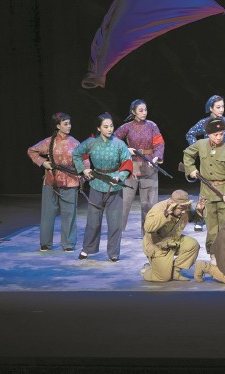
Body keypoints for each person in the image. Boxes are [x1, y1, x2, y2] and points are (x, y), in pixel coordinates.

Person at [72, 113, 132, 262]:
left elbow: (127, 162)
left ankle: (113, 253)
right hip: (96, 183)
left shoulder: (119, 144)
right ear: (99, 128)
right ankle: (87, 249)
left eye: (111, 126)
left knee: (115, 222)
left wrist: (120, 176)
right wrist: (83, 169)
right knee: (93, 221)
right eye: (105, 126)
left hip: (114, 185)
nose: (109, 129)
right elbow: (76, 154)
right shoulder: (91, 142)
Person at [27, 112, 86, 252]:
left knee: (69, 214)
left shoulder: (74, 143)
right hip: (51, 181)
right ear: (58, 126)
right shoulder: (49, 142)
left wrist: (84, 172)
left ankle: (68, 244)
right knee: (48, 213)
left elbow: (84, 158)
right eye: (66, 124)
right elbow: (32, 151)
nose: (69, 126)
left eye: (69, 123)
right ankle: (45, 243)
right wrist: (43, 162)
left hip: (70, 181)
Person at [183, 117, 225, 258]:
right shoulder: (201, 144)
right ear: (208, 134)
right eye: (215, 135)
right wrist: (191, 169)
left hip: (224, 192)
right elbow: (187, 154)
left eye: (221, 134)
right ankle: (213, 254)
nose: (219, 137)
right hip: (207, 192)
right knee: (211, 226)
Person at [185, 95, 225, 233]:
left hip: (223, 160)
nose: (221, 109)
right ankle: (200, 219)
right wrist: (199, 149)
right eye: (218, 107)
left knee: (224, 192)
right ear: (211, 108)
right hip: (208, 159)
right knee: (205, 190)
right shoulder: (204, 123)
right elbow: (190, 134)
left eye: (223, 106)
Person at [114, 99, 165, 236]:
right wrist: (125, 149)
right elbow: (113, 140)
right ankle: (117, 232)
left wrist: (156, 157)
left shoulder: (152, 125)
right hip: (132, 167)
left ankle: (148, 232)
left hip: (149, 165)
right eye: (141, 110)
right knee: (125, 201)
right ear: (133, 112)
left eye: (145, 110)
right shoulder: (127, 127)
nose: (144, 113)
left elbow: (159, 143)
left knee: (149, 202)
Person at [140, 190, 203, 282]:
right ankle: (147, 270)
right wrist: (165, 214)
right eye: (181, 208)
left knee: (192, 245)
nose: (184, 211)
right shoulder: (159, 208)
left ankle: (175, 272)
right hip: (158, 246)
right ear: (172, 204)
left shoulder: (184, 207)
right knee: (163, 277)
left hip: (174, 240)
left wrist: (199, 211)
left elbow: (194, 218)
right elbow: (148, 228)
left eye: (185, 208)